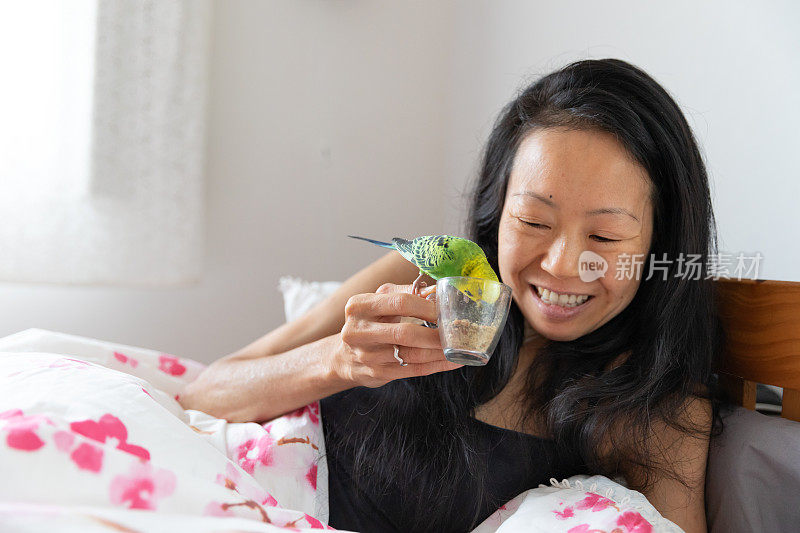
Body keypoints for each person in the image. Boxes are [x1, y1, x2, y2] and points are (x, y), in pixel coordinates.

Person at [179, 58, 724, 533]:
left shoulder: (656, 405)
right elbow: (206, 395)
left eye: (604, 236)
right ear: (498, 211)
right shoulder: (432, 274)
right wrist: (339, 360)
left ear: (660, 242)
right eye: (533, 221)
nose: (558, 265)